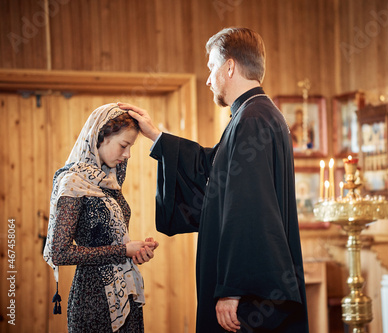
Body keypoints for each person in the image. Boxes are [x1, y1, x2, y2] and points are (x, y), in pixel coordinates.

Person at [119, 27, 309, 333]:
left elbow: (248, 207)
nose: (208, 79)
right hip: (251, 291)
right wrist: (158, 138)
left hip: (248, 296)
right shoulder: (257, 113)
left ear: (229, 67)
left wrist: (231, 289)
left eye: (211, 67)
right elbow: (214, 171)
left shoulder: (252, 119)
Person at [43, 103, 159, 333]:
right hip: (92, 298)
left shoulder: (109, 181)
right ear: (100, 137)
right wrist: (122, 251)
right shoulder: (73, 182)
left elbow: (110, 238)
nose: (127, 154)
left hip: (125, 292)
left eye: (130, 147)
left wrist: (135, 250)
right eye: (124, 145)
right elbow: (60, 252)